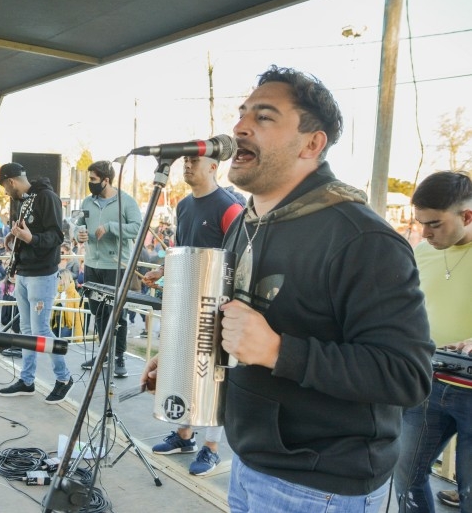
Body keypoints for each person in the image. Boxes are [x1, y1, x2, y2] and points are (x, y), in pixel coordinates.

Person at [142, 66, 434, 512]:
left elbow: (406, 375)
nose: (239, 127)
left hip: (322, 486)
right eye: (242, 114)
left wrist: (280, 350)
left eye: (264, 117)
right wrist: (189, 357)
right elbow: (242, 322)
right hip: (251, 461)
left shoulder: (362, 239)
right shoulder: (246, 220)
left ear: (312, 143)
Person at [142, 153, 244, 476]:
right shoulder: (184, 206)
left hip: (217, 309)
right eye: (185, 160)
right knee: (185, 368)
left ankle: (211, 447)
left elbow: (241, 257)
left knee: (215, 374)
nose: (186, 165)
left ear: (213, 167)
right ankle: (184, 434)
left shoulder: (229, 207)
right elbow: (181, 247)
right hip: (185, 301)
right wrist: (162, 270)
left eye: (194, 161)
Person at [394, 171, 472, 512]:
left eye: (435, 224)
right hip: (425, 384)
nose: (425, 232)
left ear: (467, 215)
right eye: (420, 222)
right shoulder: (420, 252)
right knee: (405, 477)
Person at [0, 162, 74, 403]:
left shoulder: (46, 197)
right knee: (27, 331)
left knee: (40, 329)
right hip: (26, 273)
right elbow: (30, 230)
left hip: (42, 274)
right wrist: (15, 236)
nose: (6, 192)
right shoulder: (26, 199)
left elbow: (56, 236)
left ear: (11, 182)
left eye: (5, 187)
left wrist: (30, 237)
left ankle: (64, 378)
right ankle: (27, 380)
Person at [74, 160, 142, 378]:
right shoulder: (87, 201)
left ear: (106, 180)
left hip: (116, 266)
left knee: (117, 314)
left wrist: (112, 227)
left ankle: (119, 356)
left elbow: (137, 228)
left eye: (93, 180)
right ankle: (103, 354)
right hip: (92, 265)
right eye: (89, 179)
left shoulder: (126, 202)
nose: (90, 184)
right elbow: (79, 225)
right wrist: (79, 234)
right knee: (98, 313)